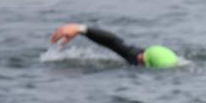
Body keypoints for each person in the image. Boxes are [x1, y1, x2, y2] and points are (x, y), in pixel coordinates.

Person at [49, 23, 179, 68]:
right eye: (142, 54)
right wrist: (80, 29)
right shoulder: (140, 56)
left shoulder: (141, 62)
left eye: (142, 59)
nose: (138, 56)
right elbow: (115, 43)